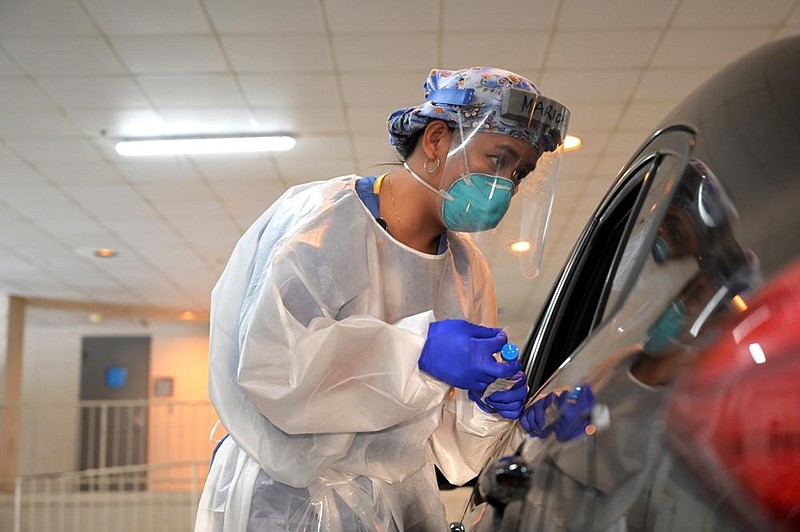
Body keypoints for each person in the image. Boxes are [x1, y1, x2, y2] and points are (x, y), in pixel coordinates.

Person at [194, 66, 571, 532]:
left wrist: (487, 407)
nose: (507, 183)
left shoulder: (468, 271)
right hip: (286, 504)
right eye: (499, 158)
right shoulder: (324, 222)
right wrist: (417, 353)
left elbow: (448, 450)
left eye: (521, 171)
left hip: (398, 508)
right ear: (435, 139)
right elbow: (272, 370)